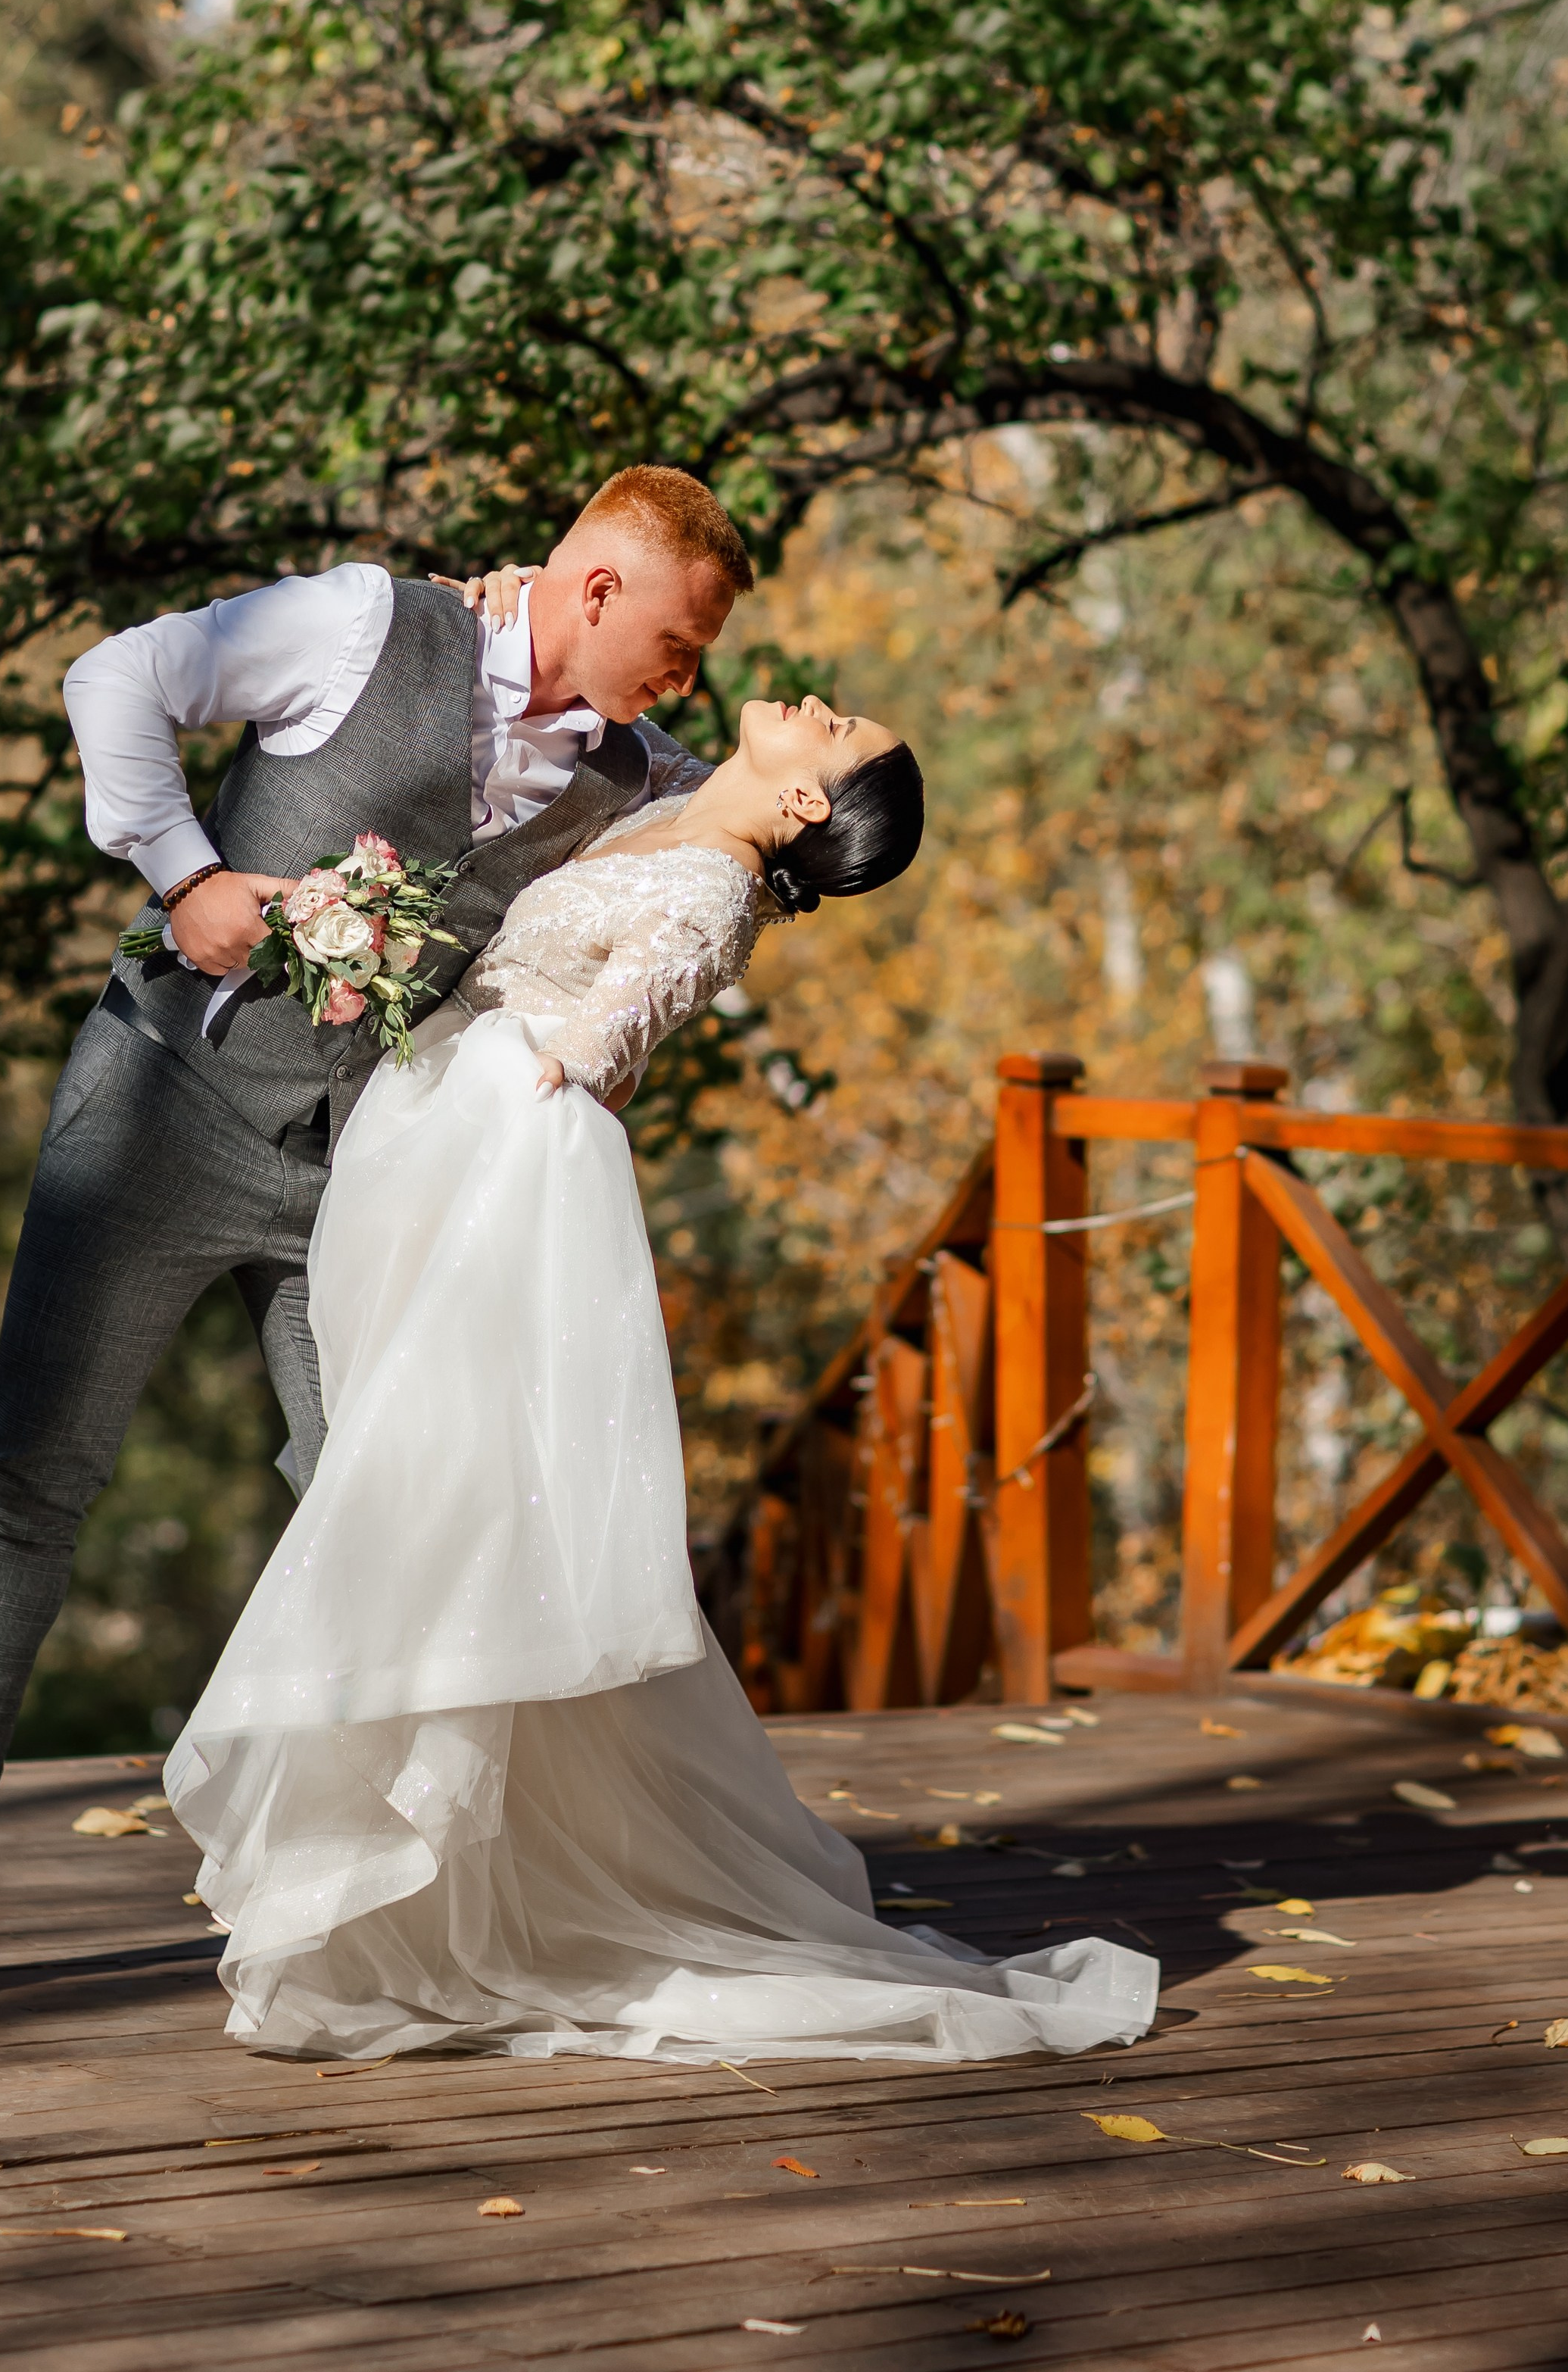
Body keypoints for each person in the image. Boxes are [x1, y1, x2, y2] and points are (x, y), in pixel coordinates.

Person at [0, 467, 752, 2015]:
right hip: (160, 1110)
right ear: (597, 590)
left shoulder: (634, 772)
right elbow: (117, 673)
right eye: (677, 642)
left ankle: (367, 1911)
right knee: (31, 1483)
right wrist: (184, 871)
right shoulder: (358, 622)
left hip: (357, 1180)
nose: (688, 677)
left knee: (376, 1501)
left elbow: (757, 826)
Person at [165, 694, 1159, 2068]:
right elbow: (576, 730)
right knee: (412, 1500)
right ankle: (433, 1889)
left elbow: (599, 1056)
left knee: (428, 1506)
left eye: (838, 726)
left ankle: (421, 1892)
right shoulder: (680, 812)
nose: (814, 703)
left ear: (806, 802)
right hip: (421, 1149)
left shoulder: (710, 890)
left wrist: (482, 1037)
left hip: (484, 1180)